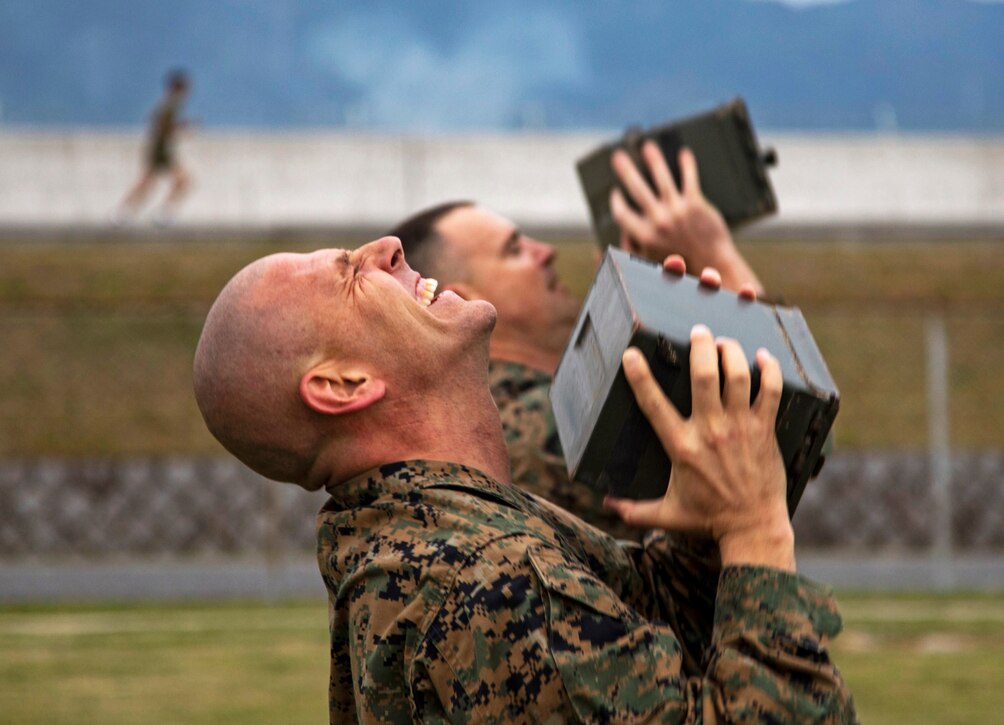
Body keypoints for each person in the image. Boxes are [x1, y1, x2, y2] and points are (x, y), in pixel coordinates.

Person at [192, 235, 855, 722]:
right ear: (342, 385)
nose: (387, 247)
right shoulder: (480, 578)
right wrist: (755, 528)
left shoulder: (449, 536)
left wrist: (713, 521)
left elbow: (650, 642)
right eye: (348, 274)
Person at [388, 141, 765, 538]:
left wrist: (657, 305)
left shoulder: (477, 418)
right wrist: (714, 255)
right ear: (460, 303)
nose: (546, 252)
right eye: (515, 250)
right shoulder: (556, 425)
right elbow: (775, 447)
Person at [114, 69, 194, 225]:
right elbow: (162, 126)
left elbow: (155, 121)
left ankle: (126, 212)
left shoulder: (168, 103)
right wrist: (181, 127)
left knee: (150, 181)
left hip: (160, 147)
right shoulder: (171, 104)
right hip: (160, 148)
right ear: (179, 88)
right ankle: (160, 213)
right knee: (179, 181)